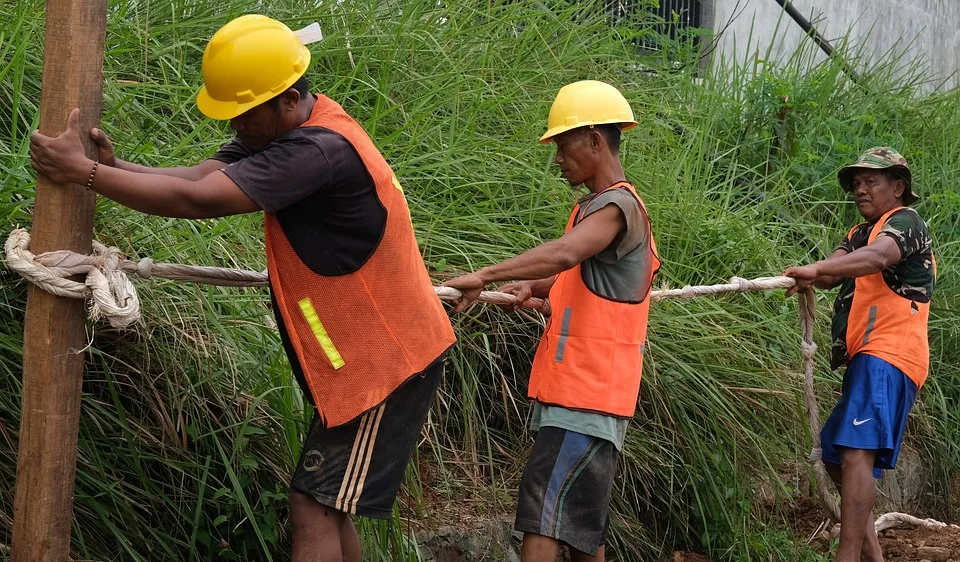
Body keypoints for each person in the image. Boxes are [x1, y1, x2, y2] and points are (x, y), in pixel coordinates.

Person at [29, 14, 456, 562]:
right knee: (327, 502)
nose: (235, 126)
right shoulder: (288, 132)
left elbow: (201, 202)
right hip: (364, 361)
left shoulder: (316, 151)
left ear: (287, 99)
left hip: (389, 363)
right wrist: (115, 167)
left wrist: (84, 176)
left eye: (243, 113)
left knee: (313, 504)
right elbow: (201, 177)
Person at [443, 80, 660, 562]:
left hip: (584, 398)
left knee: (542, 519)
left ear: (596, 141)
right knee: (584, 534)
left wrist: (486, 274)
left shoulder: (616, 206)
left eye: (563, 146)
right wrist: (537, 288)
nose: (558, 159)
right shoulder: (600, 209)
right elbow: (589, 283)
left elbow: (564, 254)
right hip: (592, 398)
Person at [784, 147, 935, 562]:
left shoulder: (905, 223)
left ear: (898, 187)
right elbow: (835, 268)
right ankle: (871, 556)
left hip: (889, 354)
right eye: (856, 183)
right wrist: (813, 273)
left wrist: (817, 271)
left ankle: (846, 556)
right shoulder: (856, 234)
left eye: (871, 181)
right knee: (836, 453)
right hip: (866, 358)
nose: (860, 190)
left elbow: (878, 258)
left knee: (853, 453)